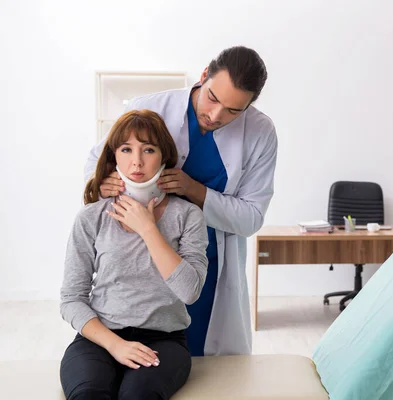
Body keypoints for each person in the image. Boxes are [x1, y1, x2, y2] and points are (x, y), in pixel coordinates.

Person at [84, 45, 278, 356]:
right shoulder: (149, 107)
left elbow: (251, 218)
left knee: (202, 361)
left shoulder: (260, 132)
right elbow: (97, 162)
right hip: (139, 262)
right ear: (204, 76)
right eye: (213, 98)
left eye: (233, 111)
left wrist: (193, 190)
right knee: (144, 355)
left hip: (209, 262)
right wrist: (104, 180)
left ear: (250, 107)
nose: (215, 115)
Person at [60, 109, 209, 399]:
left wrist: (148, 229)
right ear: (114, 157)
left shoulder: (188, 216)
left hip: (164, 340)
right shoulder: (91, 217)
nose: (137, 161)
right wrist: (115, 344)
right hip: (98, 339)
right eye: (126, 149)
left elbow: (190, 292)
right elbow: (70, 299)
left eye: (148, 149)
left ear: (164, 158)